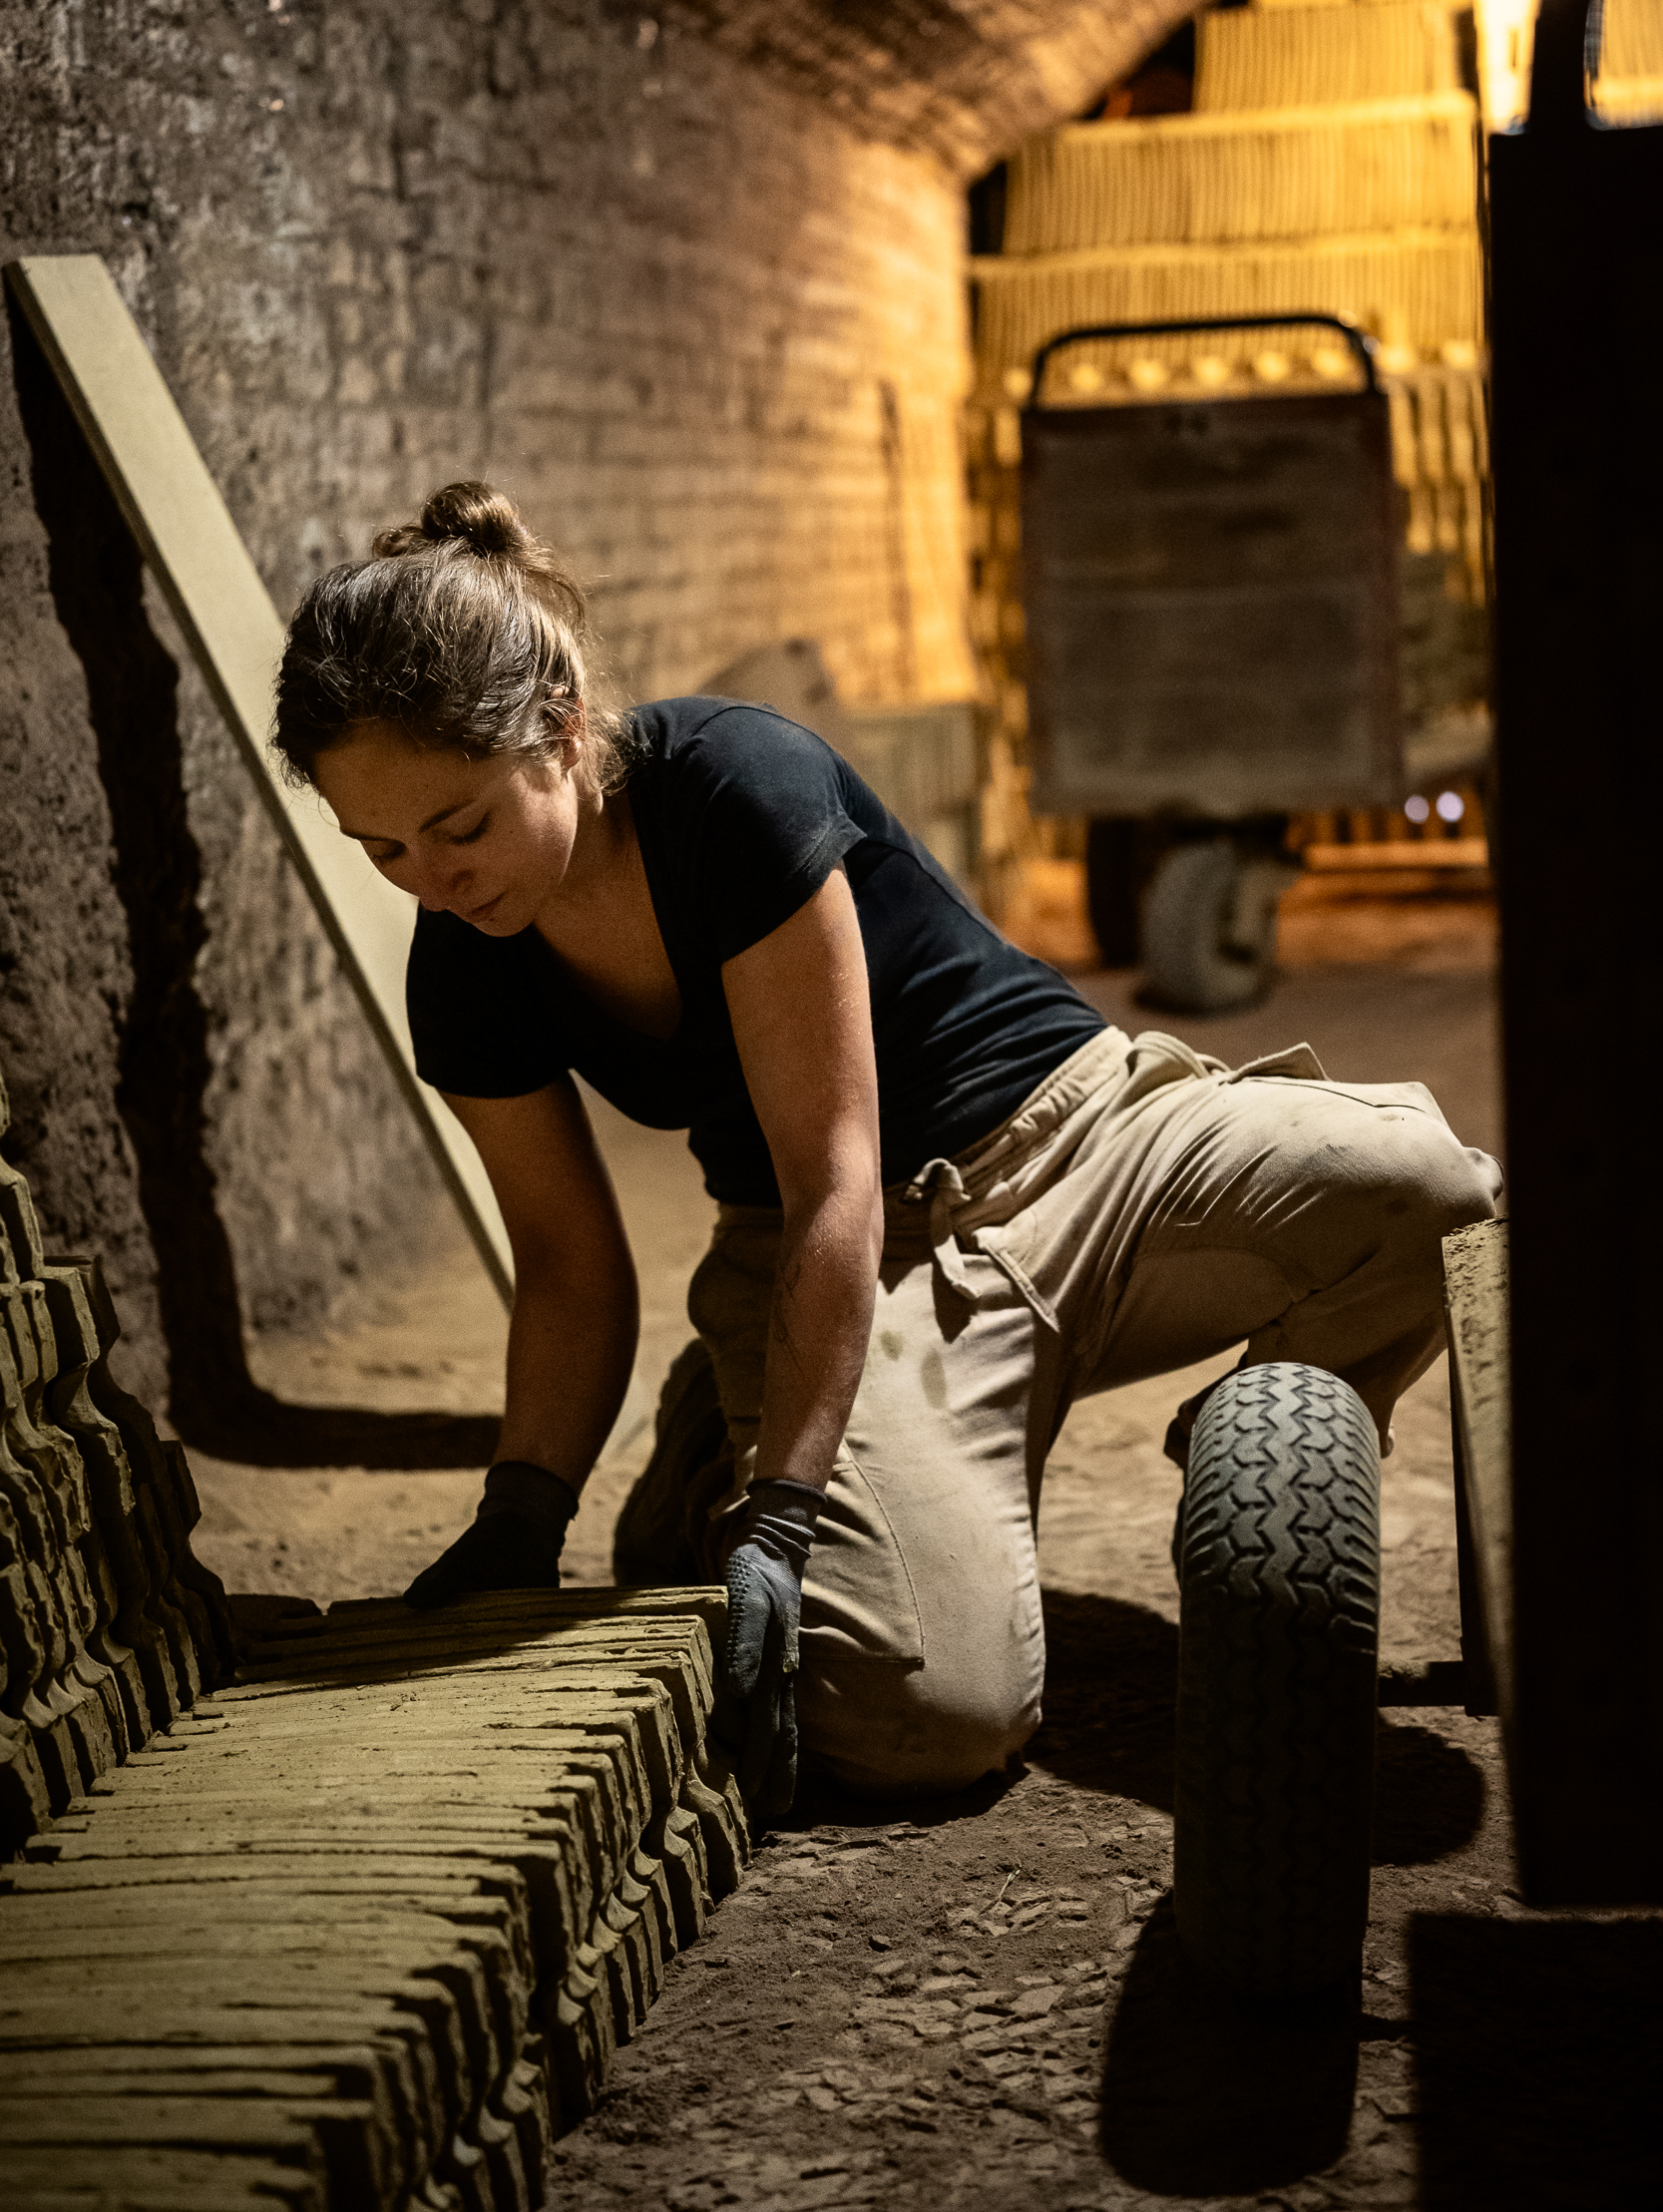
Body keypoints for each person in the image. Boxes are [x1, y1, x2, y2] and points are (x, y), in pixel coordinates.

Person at [272, 482, 1501, 1817]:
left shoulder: (734, 788)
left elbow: (833, 1171)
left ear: (561, 732)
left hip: (1097, 1147)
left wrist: (794, 1508)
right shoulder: (468, 969)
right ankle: (738, 1437)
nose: (431, 881)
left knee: (1439, 1195)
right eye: (380, 848)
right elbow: (569, 1260)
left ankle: (1223, 1476)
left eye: (459, 826)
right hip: (882, 1279)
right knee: (925, 1724)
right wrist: (522, 1516)